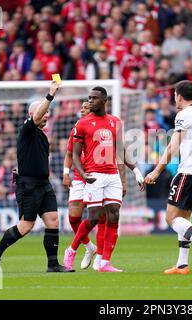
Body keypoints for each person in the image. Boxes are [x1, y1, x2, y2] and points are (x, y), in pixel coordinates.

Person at [0, 81, 73, 273]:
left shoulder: (42, 136)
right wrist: (50, 95)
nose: (47, 116)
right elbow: (38, 115)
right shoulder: (26, 130)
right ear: (32, 115)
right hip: (28, 185)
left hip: (44, 184)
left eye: (48, 114)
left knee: (53, 220)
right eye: (44, 113)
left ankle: (52, 264)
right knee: (26, 226)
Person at [63, 87, 145, 272]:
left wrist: (136, 170)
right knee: (92, 218)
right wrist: (83, 174)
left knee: (114, 215)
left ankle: (105, 263)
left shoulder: (115, 122)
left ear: (104, 101)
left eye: (94, 98)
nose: (90, 101)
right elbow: (75, 154)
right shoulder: (82, 124)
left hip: (112, 175)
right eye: (89, 98)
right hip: (94, 176)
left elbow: (120, 150)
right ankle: (71, 250)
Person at [145, 80, 192, 275]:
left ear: (178, 95)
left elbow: (173, 146)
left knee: (172, 218)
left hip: (190, 170)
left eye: (174, 95)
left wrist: (156, 171)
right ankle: (182, 264)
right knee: (184, 217)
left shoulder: (184, 115)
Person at [63, 101, 103, 271]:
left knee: (98, 218)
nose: (82, 109)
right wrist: (66, 173)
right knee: (73, 217)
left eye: (85, 107)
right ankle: (89, 247)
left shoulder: (101, 129)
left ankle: (99, 256)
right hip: (79, 178)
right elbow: (70, 153)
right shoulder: (76, 129)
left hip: (96, 176)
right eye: (81, 107)